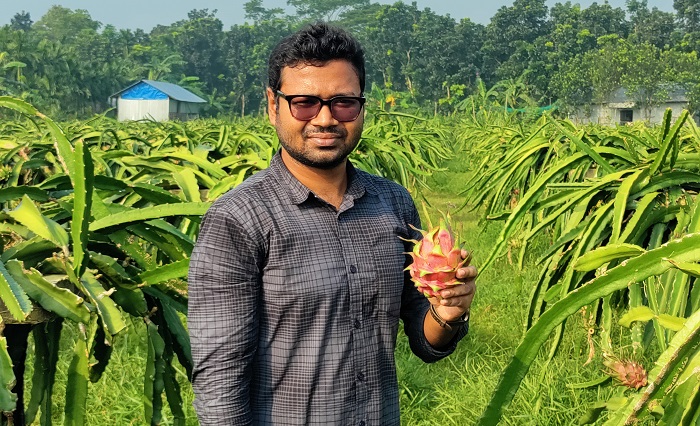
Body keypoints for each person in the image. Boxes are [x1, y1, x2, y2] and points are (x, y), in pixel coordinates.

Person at [187, 22, 477, 426]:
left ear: (361, 107)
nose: (325, 119)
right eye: (304, 103)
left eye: (343, 102)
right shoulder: (238, 218)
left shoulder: (392, 202)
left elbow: (425, 340)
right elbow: (219, 376)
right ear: (273, 105)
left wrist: (449, 311)